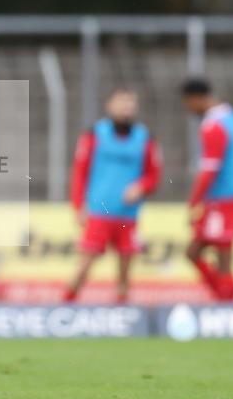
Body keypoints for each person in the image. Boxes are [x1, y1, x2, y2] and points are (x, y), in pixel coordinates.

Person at [64, 88, 162, 303]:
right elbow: (79, 173)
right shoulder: (93, 135)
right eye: (122, 103)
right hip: (99, 211)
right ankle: (66, 304)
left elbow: (154, 175)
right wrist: (78, 205)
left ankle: (122, 313)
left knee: (125, 271)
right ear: (110, 105)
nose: (126, 108)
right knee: (84, 265)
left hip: (127, 215)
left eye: (130, 103)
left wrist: (141, 187)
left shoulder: (145, 138)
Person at [181, 77, 233, 301]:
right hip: (232, 194)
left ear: (196, 98)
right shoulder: (231, 115)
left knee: (222, 253)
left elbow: (210, 169)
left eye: (188, 103)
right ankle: (222, 294)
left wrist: (194, 201)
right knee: (199, 251)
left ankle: (226, 299)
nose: (189, 109)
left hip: (223, 197)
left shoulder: (213, 125)